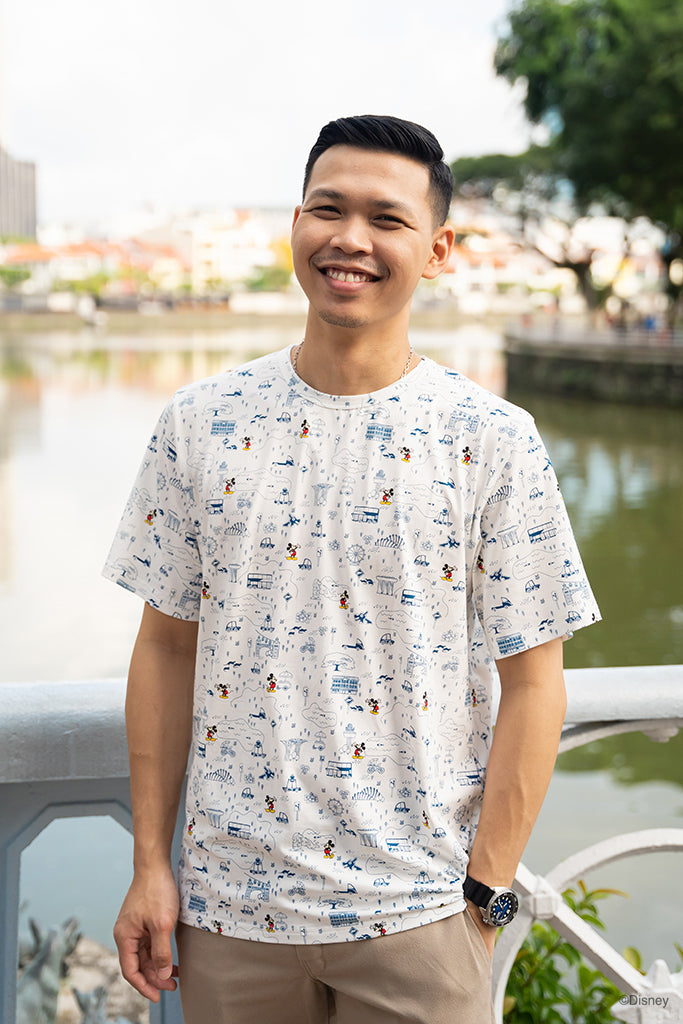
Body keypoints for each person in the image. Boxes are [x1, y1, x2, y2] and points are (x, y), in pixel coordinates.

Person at [103, 114, 600, 1024]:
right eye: (328, 210)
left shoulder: (491, 438)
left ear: (437, 250)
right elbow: (166, 649)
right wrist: (149, 866)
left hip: (419, 916)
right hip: (230, 914)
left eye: (387, 219)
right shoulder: (200, 422)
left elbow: (535, 682)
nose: (351, 240)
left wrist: (485, 894)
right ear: (295, 224)